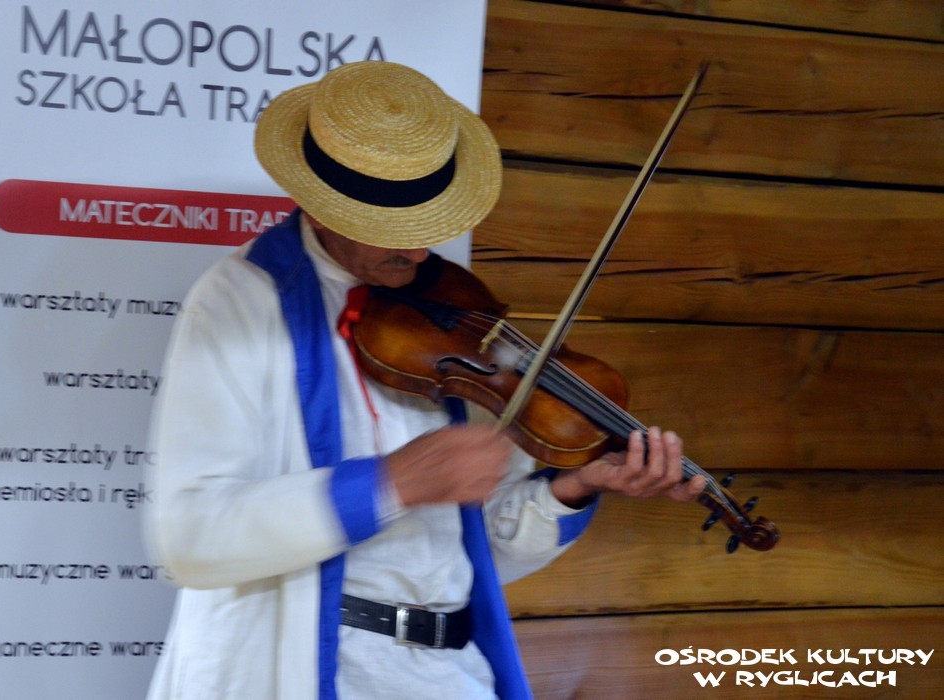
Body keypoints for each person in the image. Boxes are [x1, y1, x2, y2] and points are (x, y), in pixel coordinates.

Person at [145, 60, 704, 700]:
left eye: (428, 227)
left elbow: (472, 554)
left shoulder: (451, 304)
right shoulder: (237, 302)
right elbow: (189, 537)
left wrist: (571, 488)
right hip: (306, 674)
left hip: (449, 674)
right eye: (390, 232)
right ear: (319, 208)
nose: (416, 253)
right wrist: (391, 483)